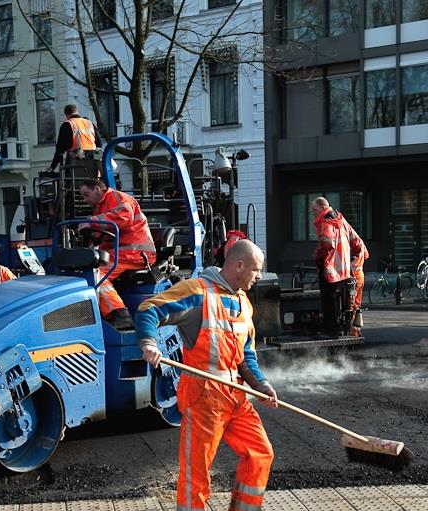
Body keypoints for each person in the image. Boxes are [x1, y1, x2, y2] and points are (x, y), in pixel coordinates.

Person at [136, 239, 277, 511]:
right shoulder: (196, 291)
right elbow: (149, 310)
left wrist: (261, 384)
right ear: (239, 265)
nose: (259, 277)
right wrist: (149, 344)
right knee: (197, 474)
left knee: (260, 453)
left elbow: (246, 355)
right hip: (203, 395)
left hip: (235, 394)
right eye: (256, 270)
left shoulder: (244, 303)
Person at [79, 178, 156, 330]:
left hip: (134, 253)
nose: (85, 200)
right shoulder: (101, 207)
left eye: (86, 194)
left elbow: (123, 217)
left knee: (96, 274)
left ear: (97, 188)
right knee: (83, 269)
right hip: (119, 252)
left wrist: (92, 222)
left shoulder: (117, 197)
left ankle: (120, 314)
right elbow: (104, 233)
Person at [311, 197, 354, 336]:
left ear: (323, 208)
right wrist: (361, 255)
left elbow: (327, 242)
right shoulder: (341, 220)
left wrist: (317, 257)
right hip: (344, 268)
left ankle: (331, 329)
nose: (313, 213)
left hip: (331, 268)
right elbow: (356, 239)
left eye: (314, 210)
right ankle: (341, 327)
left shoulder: (326, 222)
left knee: (328, 298)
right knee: (340, 298)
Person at [46, 104, 101, 172]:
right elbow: (99, 144)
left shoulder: (68, 124)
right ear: (77, 112)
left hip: (76, 164)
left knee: (68, 179)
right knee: (94, 182)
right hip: (93, 164)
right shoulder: (89, 123)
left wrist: (52, 167)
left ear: (66, 115)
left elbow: (60, 149)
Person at [348, 230, 369, 337]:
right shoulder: (361, 245)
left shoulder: (351, 250)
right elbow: (366, 256)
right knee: (357, 304)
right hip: (360, 277)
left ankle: (353, 329)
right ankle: (357, 329)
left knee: (351, 304)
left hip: (353, 280)